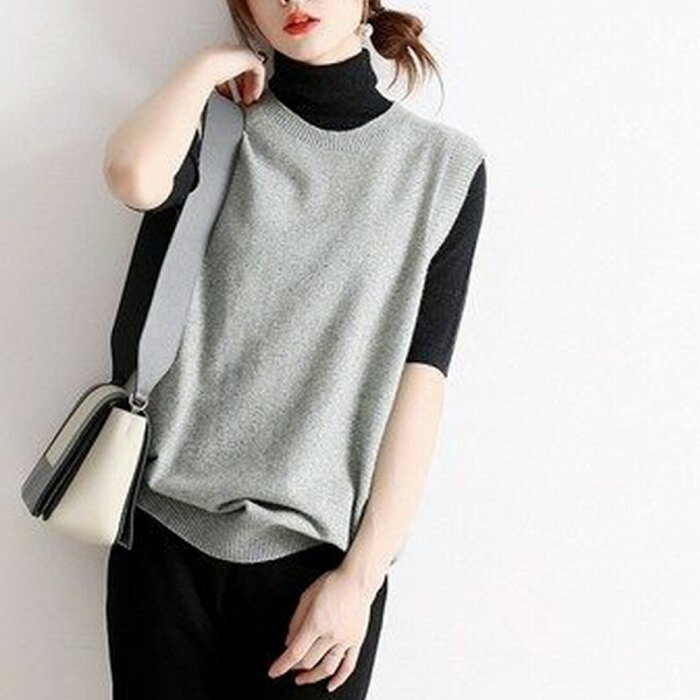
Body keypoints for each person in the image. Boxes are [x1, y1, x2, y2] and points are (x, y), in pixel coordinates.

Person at [102, 0, 487, 697]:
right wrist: (209, 64)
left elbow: (422, 381)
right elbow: (132, 176)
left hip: (319, 572)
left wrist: (362, 577)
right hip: (165, 539)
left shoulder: (442, 169)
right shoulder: (219, 126)